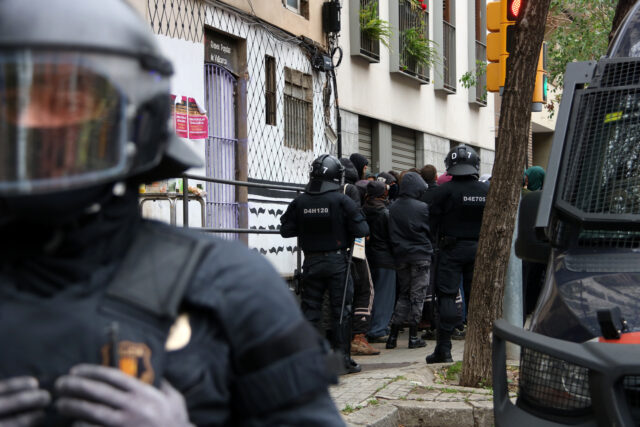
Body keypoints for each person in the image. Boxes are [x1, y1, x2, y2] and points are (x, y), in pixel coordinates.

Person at [0, 1, 344, 425]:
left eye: (69, 101)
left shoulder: (231, 287)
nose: (34, 124)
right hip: (330, 265)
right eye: (12, 101)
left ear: (134, 120)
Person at [280, 154, 370, 373]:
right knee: (341, 310)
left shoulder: (300, 201)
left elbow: (286, 230)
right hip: (337, 262)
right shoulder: (342, 201)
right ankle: (342, 361)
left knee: (310, 310)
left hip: (311, 262)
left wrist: (309, 225)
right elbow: (362, 230)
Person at [426, 145, 489, 364]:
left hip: (450, 250)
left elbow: (431, 223)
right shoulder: (486, 191)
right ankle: (480, 350)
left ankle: (444, 349)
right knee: (477, 298)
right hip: (479, 250)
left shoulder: (442, 191)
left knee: (447, 296)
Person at [386, 172, 433, 350]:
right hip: (420, 255)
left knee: (404, 294)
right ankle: (413, 337)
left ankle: (392, 337)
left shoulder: (393, 207)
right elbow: (429, 230)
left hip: (401, 256)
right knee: (418, 295)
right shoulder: (422, 207)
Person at [363, 181, 396, 343]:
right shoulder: (385, 213)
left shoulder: (363, 210)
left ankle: (369, 326)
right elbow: (392, 236)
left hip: (368, 256)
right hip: (385, 258)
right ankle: (378, 328)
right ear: (383, 194)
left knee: (370, 293)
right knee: (385, 295)